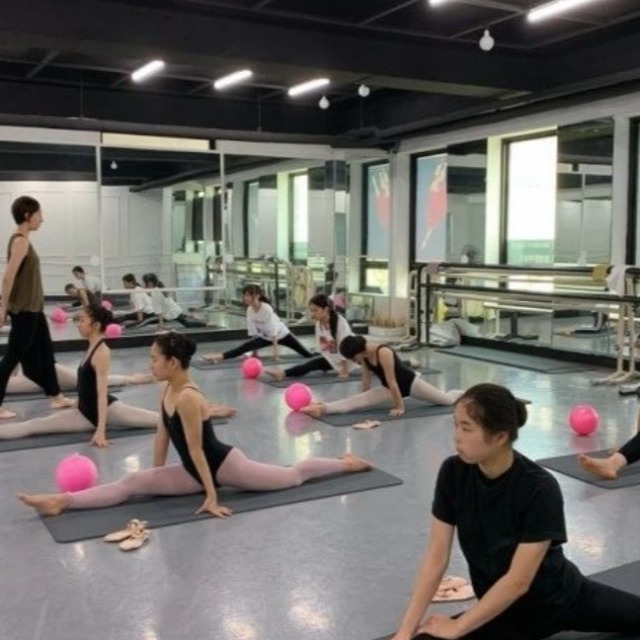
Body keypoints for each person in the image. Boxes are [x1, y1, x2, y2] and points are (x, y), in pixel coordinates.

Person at [18, 332, 372, 517]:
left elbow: (198, 449)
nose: (151, 365)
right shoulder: (167, 388)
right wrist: (155, 476)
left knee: (292, 476)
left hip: (224, 466)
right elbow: (162, 435)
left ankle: (345, 463)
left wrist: (213, 497)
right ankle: (62, 501)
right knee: (131, 482)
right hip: (192, 471)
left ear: (173, 362)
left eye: (155, 359)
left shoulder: (188, 396)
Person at [390, 383, 640, 640]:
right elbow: (436, 556)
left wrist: (458, 626)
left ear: (500, 437)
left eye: (467, 428)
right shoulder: (453, 472)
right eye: (456, 425)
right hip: (501, 610)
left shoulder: (539, 487)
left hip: (558, 600)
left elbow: (519, 581)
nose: (457, 436)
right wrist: (405, 632)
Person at [0, 303, 159, 448]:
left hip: (106, 411)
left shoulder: (101, 353)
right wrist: (78, 402)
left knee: (161, 420)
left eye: (82, 320)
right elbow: (87, 384)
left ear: (96, 325)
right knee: (34, 425)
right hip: (84, 410)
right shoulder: (91, 346)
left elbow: (101, 394)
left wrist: (100, 430)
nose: (78, 324)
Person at [0, 196, 74, 419]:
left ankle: (56, 395)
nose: (42, 219)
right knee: (12, 358)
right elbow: (8, 277)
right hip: (24, 310)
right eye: (39, 214)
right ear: (27, 215)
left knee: (46, 353)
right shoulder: (20, 241)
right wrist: (3, 308)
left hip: (34, 309)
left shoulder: (23, 240)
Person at [301, 335, 461, 418]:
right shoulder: (363, 356)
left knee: (447, 401)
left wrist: (400, 407)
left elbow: (392, 381)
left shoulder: (383, 352)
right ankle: (322, 408)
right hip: (389, 389)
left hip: (409, 383)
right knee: (355, 402)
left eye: (352, 358)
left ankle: (462, 392)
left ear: (358, 352)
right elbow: (366, 378)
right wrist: (364, 398)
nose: (353, 361)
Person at [203, 284, 314, 364]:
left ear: (257, 296)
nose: (246, 298)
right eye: (245, 295)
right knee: (243, 348)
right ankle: (218, 357)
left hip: (283, 335)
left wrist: (276, 355)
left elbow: (274, 331)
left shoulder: (266, 308)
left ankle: (319, 353)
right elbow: (253, 332)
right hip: (265, 337)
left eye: (248, 295)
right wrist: (254, 352)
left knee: (307, 355)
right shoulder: (249, 310)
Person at [266, 293, 354, 381]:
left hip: (352, 357)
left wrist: (344, 370)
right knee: (311, 364)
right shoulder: (319, 324)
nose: (313, 314)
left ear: (326, 309)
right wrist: (324, 361)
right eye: (311, 311)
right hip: (334, 358)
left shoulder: (340, 323)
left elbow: (345, 348)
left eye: (315, 310)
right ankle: (282, 373)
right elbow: (323, 348)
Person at [142, 273, 206, 330]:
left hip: (172, 311)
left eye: (145, 282)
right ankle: (202, 322)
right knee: (187, 323)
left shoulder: (156, 292)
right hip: (172, 311)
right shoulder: (158, 289)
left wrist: (161, 325)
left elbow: (159, 310)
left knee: (188, 324)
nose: (144, 284)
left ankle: (205, 324)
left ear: (150, 282)